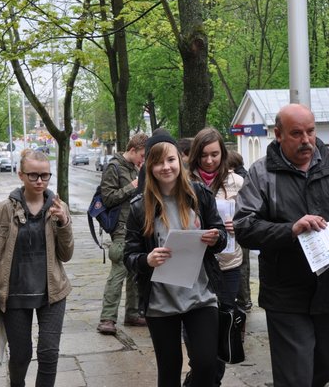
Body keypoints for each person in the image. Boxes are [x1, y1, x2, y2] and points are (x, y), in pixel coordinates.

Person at [233, 103, 329, 387]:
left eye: (311, 132)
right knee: (295, 377)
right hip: (286, 295)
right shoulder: (261, 174)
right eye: (297, 133)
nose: (306, 140)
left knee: (322, 369)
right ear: (278, 135)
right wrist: (290, 230)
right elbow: (244, 226)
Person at [124, 134, 227, 387]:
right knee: (168, 371)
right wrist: (146, 259)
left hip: (200, 296)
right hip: (160, 302)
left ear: (180, 161)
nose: (166, 166)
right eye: (158, 162)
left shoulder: (199, 195)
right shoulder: (139, 207)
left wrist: (217, 239)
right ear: (149, 166)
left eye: (171, 159)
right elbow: (128, 256)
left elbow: (221, 235)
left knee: (206, 364)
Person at [0, 148, 74, 387]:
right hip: (14, 295)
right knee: (21, 355)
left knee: (48, 354)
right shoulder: (2, 211)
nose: (40, 181)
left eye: (45, 175)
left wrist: (64, 222)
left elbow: (67, 254)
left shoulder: (58, 207)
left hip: (52, 293)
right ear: (20, 174)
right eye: (33, 175)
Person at [188, 128, 244, 385]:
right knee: (196, 332)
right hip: (195, 267)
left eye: (215, 155)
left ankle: (212, 381)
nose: (209, 161)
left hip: (227, 264)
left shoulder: (237, 182)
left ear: (223, 154)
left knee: (222, 327)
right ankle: (199, 376)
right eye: (203, 155)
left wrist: (239, 225)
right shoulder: (184, 180)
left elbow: (252, 218)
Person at [97, 133, 149, 335]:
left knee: (135, 271)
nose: (143, 159)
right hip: (120, 228)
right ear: (133, 149)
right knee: (119, 271)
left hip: (135, 227)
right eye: (142, 155)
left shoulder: (135, 168)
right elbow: (108, 198)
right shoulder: (114, 167)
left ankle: (133, 313)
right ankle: (107, 318)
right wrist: (131, 187)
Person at [226, 150, 251, 312]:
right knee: (244, 265)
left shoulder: (239, 182)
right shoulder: (248, 176)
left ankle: (243, 300)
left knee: (241, 265)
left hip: (238, 231)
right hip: (241, 231)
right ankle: (245, 300)